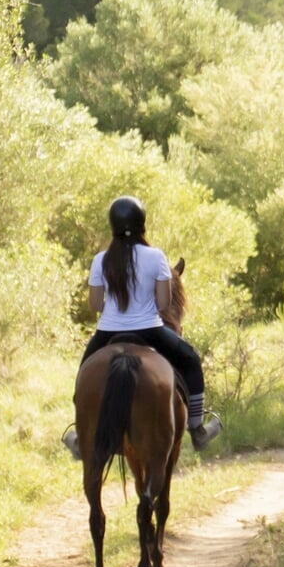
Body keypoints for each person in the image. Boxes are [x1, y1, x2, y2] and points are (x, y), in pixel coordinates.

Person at [62, 196, 221, 458]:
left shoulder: (100, 259)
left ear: (112, 225)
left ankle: (81, 435)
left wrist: (117, 308)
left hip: (108, 331)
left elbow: (95, 304)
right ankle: (197, 430)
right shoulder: (156, 256)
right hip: (151, 329)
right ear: (141, 224)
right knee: (191, 360)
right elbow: (163, 302)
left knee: (84, 374)